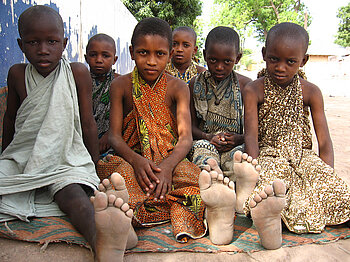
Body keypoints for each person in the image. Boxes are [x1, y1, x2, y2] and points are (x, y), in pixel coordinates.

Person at [0, 6, 136, 261]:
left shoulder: (76, 72)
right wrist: (6, 158)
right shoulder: (17, 74)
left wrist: (93, 168)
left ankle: (103, 239)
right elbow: (11, 120)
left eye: (51, 42)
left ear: (64, 43)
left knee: (74, 196)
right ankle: (117, 232)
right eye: (33, 42)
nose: (43, 49)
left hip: (66, 159)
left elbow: (87, 123)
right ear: (20, 44)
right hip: (24, 159)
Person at [96, 17, 211, 243]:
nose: (151, 61)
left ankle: (129, 212)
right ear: (131, 52)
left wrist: (167, 166)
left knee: (196, 181)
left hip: (170, 159)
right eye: (143, 53)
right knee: (117, 174)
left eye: (159, 54)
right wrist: (137, 162)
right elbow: (114, 137)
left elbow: (186, 138)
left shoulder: (178, 87)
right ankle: (123, 217)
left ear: (169, 54)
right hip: (130, 158)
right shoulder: (120, 86)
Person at [240, 22, 350, 250]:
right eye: (273, 59)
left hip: (303, 155)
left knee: (335, 190)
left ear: (304, 60)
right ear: (264, 55)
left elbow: (324, 140)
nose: (280, 67)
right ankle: (269, 217)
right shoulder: (253, 89)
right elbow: (250, 136)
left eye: (290, 62)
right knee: (272, 187)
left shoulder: (311, 91)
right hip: (269, 155)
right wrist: (255, 168)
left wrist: (327, 173)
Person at [189, 26, 255, 214]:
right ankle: (216, 178)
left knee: (239, 160)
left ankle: (236, 189)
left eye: (227, 61)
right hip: (206, 141)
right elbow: (190, 126)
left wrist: (239, 139)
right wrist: (208, 137)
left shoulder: (245, 85)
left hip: (235, 144)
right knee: (202, 154)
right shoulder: (194, 84)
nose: (219, 67)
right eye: (213, 60)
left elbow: (253, 129)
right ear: (203, 55)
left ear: (238, 58)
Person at [85, 33, 120, 156]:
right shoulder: (79, 81)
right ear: (86, 57)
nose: (99, 60)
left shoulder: (120, 82)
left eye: (105, 56)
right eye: (93, 55)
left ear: (114, 59)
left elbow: (126, 115)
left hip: (111, 139)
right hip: (84, 139)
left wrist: (109, 134)